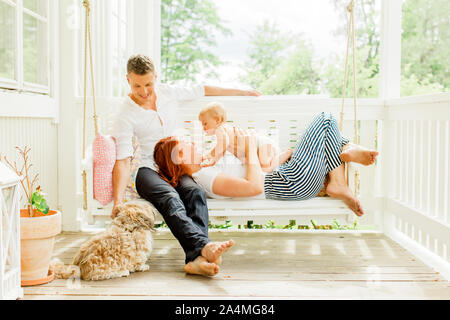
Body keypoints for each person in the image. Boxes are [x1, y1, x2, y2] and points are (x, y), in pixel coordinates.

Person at [110, 54, 261, 277]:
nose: (144, 91)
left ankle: (195, 260)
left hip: (177, 166)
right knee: (171, 198)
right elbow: (122, 160)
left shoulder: (168, 93)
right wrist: (117, 200)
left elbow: (204, 89)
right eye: (137, 85)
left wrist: (242, 92)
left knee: (195, 192)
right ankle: (203, 248)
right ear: (128, 80)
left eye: (149, 84)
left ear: (156, 78)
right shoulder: (125, 114)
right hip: (148, 170)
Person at [153, 112, 379, 216]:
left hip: (289, 176)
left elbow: (245, 164)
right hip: (289, 180)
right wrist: (251, 144)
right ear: (180, 157)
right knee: (326, 120)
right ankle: (345, 156)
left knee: (331, 134)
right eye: (186, 144)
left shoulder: (206, 166)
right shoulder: (206, 178)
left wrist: (239, 146)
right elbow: (255, 187)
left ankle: (342, 164)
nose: (193, 142)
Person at [198, 101, 293, 172]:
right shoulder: (222, 131)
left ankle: (286, 154)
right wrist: (208, 155)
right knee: (264, 167)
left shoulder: (220, 129)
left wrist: (214, 159)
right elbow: (219, 146)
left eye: (205, 123)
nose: (203, 127)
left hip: (260, 144)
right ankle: (280, 158)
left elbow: (223, 144)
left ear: (217, 120)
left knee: (265, 167)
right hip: (257, 148)